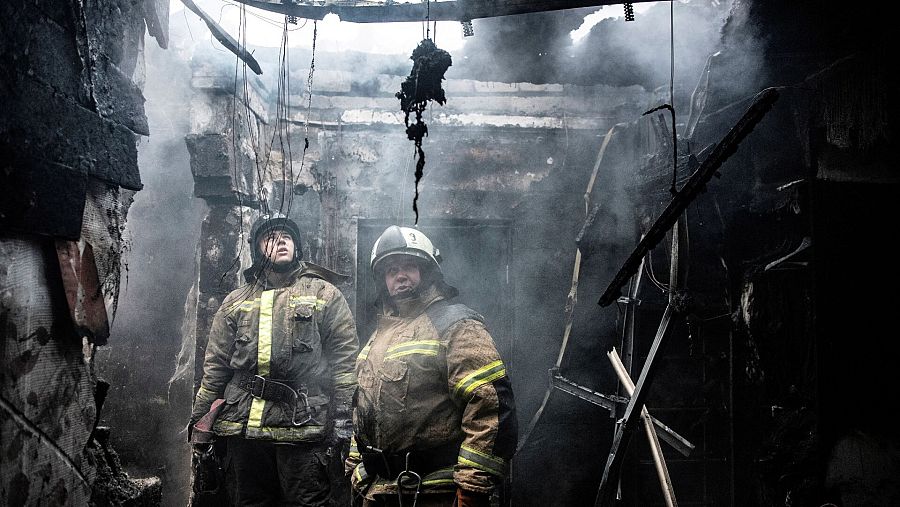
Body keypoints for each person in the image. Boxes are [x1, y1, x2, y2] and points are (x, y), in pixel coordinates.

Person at [189, 212, 359, 506]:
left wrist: (345, 419)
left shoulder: (325, 294)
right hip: (242, 429)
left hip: (302, 427)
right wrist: (199, 421)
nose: (280, 242)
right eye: (270, 238)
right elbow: (215, 368)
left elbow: (344, 362)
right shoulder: (236, 301)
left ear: (297, 247)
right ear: (258, 249)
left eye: (287, 237)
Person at [346, 225, 518, 507]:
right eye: (391, 270)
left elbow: (489, 407)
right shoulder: (378, 336)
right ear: (383, 281)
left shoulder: (456, 326)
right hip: (378, 491)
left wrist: (471, 490)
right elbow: (363, 409)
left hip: (434, 493)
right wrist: (355, 468)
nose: (399, 276)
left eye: (408, 266)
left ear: (427, 271)